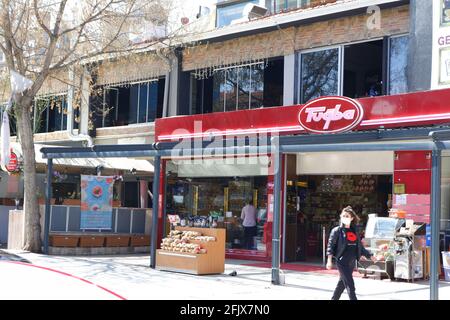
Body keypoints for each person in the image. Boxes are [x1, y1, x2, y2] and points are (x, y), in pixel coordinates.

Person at [326, 206, 376, 300]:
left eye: (347, 216)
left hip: (351, 262)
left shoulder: (354, 231)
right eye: (343, 216)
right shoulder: (337, 231)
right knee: (350, 285)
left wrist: (370, 255)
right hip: (342, 261)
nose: (344, 217)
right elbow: (330, 246)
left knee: (342, 284)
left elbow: (360, 246)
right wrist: (329, 261)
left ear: (351, 218)